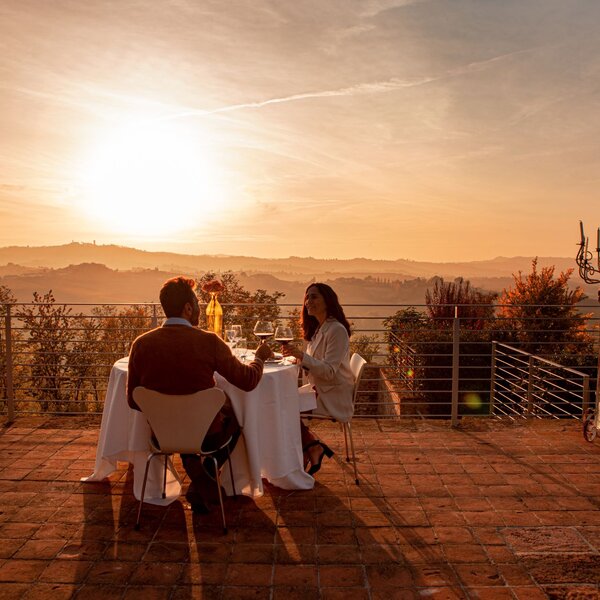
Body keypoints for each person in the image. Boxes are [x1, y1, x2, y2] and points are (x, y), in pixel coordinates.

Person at [126, 276, 273, 513]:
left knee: (217, 414)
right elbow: (247, 381)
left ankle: (196, 471)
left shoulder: (141, 344)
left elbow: (133, 400)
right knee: (236, 416)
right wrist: (259, 358)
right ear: (187, 308)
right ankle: (202, 476)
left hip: (162, 435)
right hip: (207, 436)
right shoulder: (209, 342)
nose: (200, 308)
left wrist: (168, 411)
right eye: (197, 302)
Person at [282, 283, 354, 475]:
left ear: (327, 301)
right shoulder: (319, 328)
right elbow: (312, 363)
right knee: (278, 404)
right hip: (317, 390)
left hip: (331, 395)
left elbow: (329, 371)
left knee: (282, 408)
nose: (308, 302)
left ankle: (310, 448)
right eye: (307, 297)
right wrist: (295, 358)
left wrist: (302, 357)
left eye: (314, 297)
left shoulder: (336, 331)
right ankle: (310, 447)